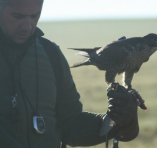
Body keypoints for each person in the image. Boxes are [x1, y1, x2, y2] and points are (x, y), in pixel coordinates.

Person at [0, 0, 139, 148]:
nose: (27, 26)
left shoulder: (50, 54)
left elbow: (70, 125)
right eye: (17, 16)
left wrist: (116, 121)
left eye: (34, 16)